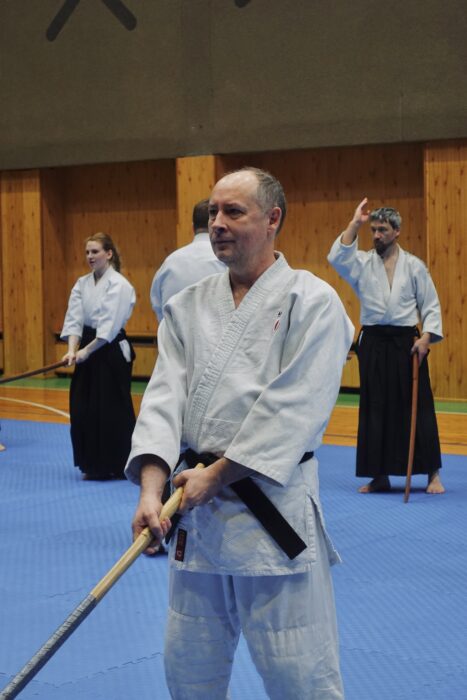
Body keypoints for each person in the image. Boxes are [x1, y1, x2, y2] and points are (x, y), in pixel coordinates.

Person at [126, 167, 354, 699]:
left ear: (273, 219)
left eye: (233, 212)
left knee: (299, 673)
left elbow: (293, 410)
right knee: (189, 670)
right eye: (213, 212)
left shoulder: (312, 302)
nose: (218, 223)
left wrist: (219, 475)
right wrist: (151, 490)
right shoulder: (187, 305)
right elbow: (163, 400)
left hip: (271, 514)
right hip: (196, 518)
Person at [328, 198, 445, 495]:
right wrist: (355, 223)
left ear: (397, 231)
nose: (377, 235)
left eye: (382, 230)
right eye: (374, 230)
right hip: (374, 342)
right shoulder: (362, 263)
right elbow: (337, 257)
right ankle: (379, 475)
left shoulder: (415, 266)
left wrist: (426, 338)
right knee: (374, 408)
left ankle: (432, 474)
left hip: (407, 343)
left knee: (418, 407)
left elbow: (430, 305)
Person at [61, 232, 136, 480]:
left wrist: (86, 351)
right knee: (82, 406)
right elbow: (74, 319)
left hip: (110, 351)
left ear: (109, 254)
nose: (90, 256)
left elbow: (109, 327)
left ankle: (118, 463)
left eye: (95, 251)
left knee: (110, 409)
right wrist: (72, 349)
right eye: (87, 252)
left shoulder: (119, 285)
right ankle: (92, 464)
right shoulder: (82, 283)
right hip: (87, 347)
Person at [150, 198, 226, 322]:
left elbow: (159, 309)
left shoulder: (169, 263)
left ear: (192, 228)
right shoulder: (227, 260)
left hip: (173, 332)